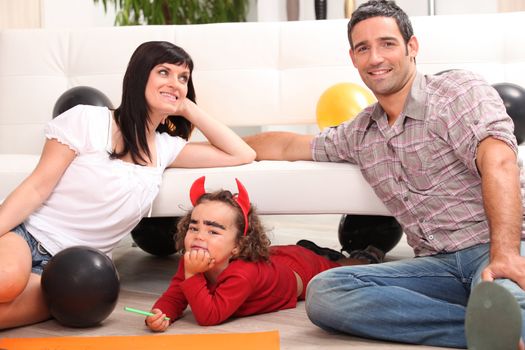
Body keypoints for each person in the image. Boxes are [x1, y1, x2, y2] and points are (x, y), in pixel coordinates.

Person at [244, 1, 525, 348]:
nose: (375, 57)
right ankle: (489, 331)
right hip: (436, 267)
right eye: (364, 48)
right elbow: (287, 146)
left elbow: (499, 162)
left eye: (387, 43)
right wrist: (197, 149)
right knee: (326, 293)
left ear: (412, 47)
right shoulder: (360, 132)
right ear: (353, 58)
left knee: (513, 295)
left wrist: (506, 255)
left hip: (499, 246)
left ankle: (502, 321)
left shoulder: (458, 92)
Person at [0, 41, 256, 329]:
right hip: (29, 238)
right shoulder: (87, 119)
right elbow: (35, 187)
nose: (175, 83)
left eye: (183, 78)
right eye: (164, 72)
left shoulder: (166, 148)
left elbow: (242, 153)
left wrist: (186, 107)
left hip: (79, 275)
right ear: (138, 75)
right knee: (7, 282)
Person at [144, 176, 367, 331]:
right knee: (283, 254)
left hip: (300, 269)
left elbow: (209, 316)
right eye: (194, 227)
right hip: (273, 260)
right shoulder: (192, 260)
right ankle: (314, 249)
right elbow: (175, 295)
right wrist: (160, 313)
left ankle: (362, 256)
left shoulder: (242, 273)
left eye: (213, 230)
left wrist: (193, 276)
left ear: (238, 245)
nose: (199, 236)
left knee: (344, 271)